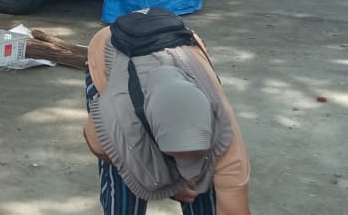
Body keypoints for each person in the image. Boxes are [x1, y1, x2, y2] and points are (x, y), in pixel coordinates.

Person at [84, 14, 251, 214]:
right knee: (123, 195)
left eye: (197, 154)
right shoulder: (117, 115)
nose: (187, 170)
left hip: (177, 47)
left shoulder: (226, 136)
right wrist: (168, 186)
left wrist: (187, 179)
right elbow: (98, 147)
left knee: (204, 188)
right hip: (112, 51)